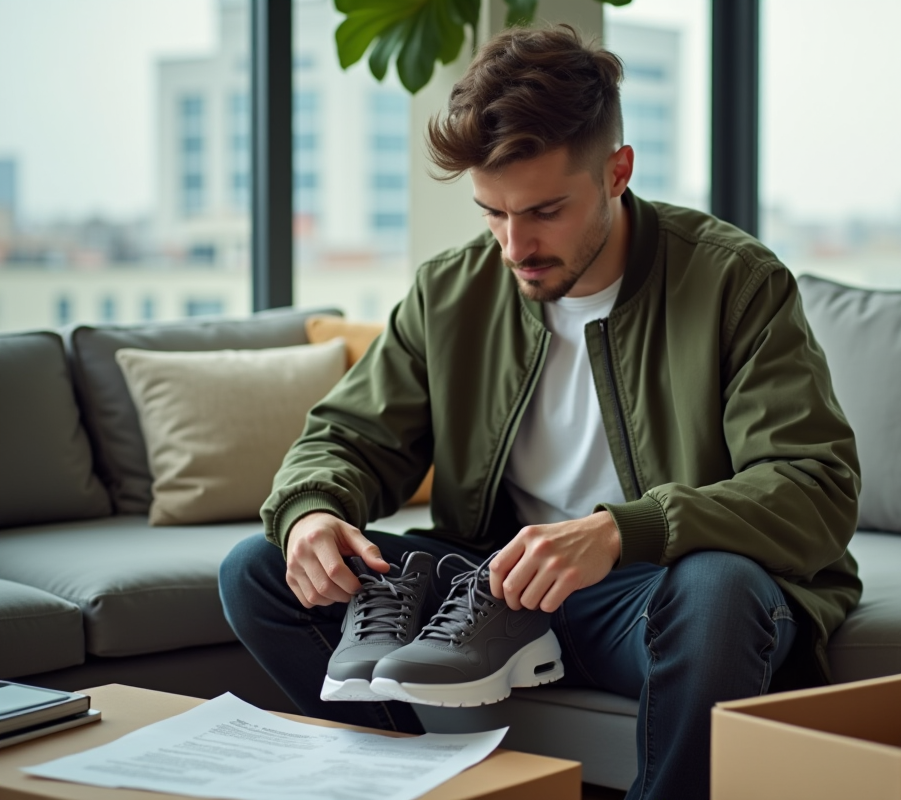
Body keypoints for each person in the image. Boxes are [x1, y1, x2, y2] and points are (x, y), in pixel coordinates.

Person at [219, 24, 860, 799]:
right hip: (488, 594)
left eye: (546, 211)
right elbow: (350, 438)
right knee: (257, 568)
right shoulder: (450, 292)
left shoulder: (734, 282)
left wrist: (625, 530)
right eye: (493, 214)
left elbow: (813, 484)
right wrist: (313, 513)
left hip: (648, 592)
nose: (515, 245)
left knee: (720, 588)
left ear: (617, 171)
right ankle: (436, 788)